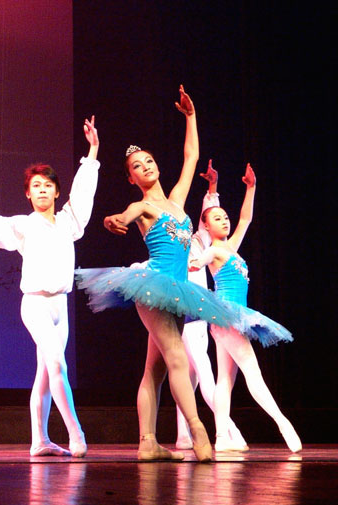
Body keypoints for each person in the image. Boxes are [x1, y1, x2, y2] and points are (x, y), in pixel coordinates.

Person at [75, 86, 234, 462]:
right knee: (178, 358)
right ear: (131, 178)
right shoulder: (142, 205)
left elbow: (191, 156)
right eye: (136, 166)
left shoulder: (176, 200)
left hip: (179, 291)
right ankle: (198, 432)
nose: (145, 166)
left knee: (155, 369)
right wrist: (112, 220)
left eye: (148, 161)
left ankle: (147, 442)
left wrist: (191, 117)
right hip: (153, 288)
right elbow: (123, 216)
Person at [0, 116, 100, 458]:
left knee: (45, 372)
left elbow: (83, 193)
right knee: (57, 364)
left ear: (56, 191)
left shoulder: (69, 222)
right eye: (36, 186)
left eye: (48, 185)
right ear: (28, 194)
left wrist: (93, 151)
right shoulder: (24, 224)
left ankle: (39, 440)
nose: (42, 189)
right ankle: (76, 433)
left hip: (60, 308)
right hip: (35, 305)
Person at [189, 162, 302, 453]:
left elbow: (245, 219)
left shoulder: (232, 247)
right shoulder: (213, 250)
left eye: (225, 216)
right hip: (227, 316)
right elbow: (199, 261)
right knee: (253, 372)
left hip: (231, 317)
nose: (224, 221)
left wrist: (251, 187)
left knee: (225, 379)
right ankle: (282, 422)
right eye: (217, 218)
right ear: (206, 226)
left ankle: (221, 437)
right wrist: (194, 262)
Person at [175, 160, 248, 452]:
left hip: (197, 309)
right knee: (203, 370)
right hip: (185, 310)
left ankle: (183, 434)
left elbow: (209, 218)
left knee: (190, 373)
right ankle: (229, 430)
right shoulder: (172, 248)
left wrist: (213, 188)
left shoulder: (197, 240)